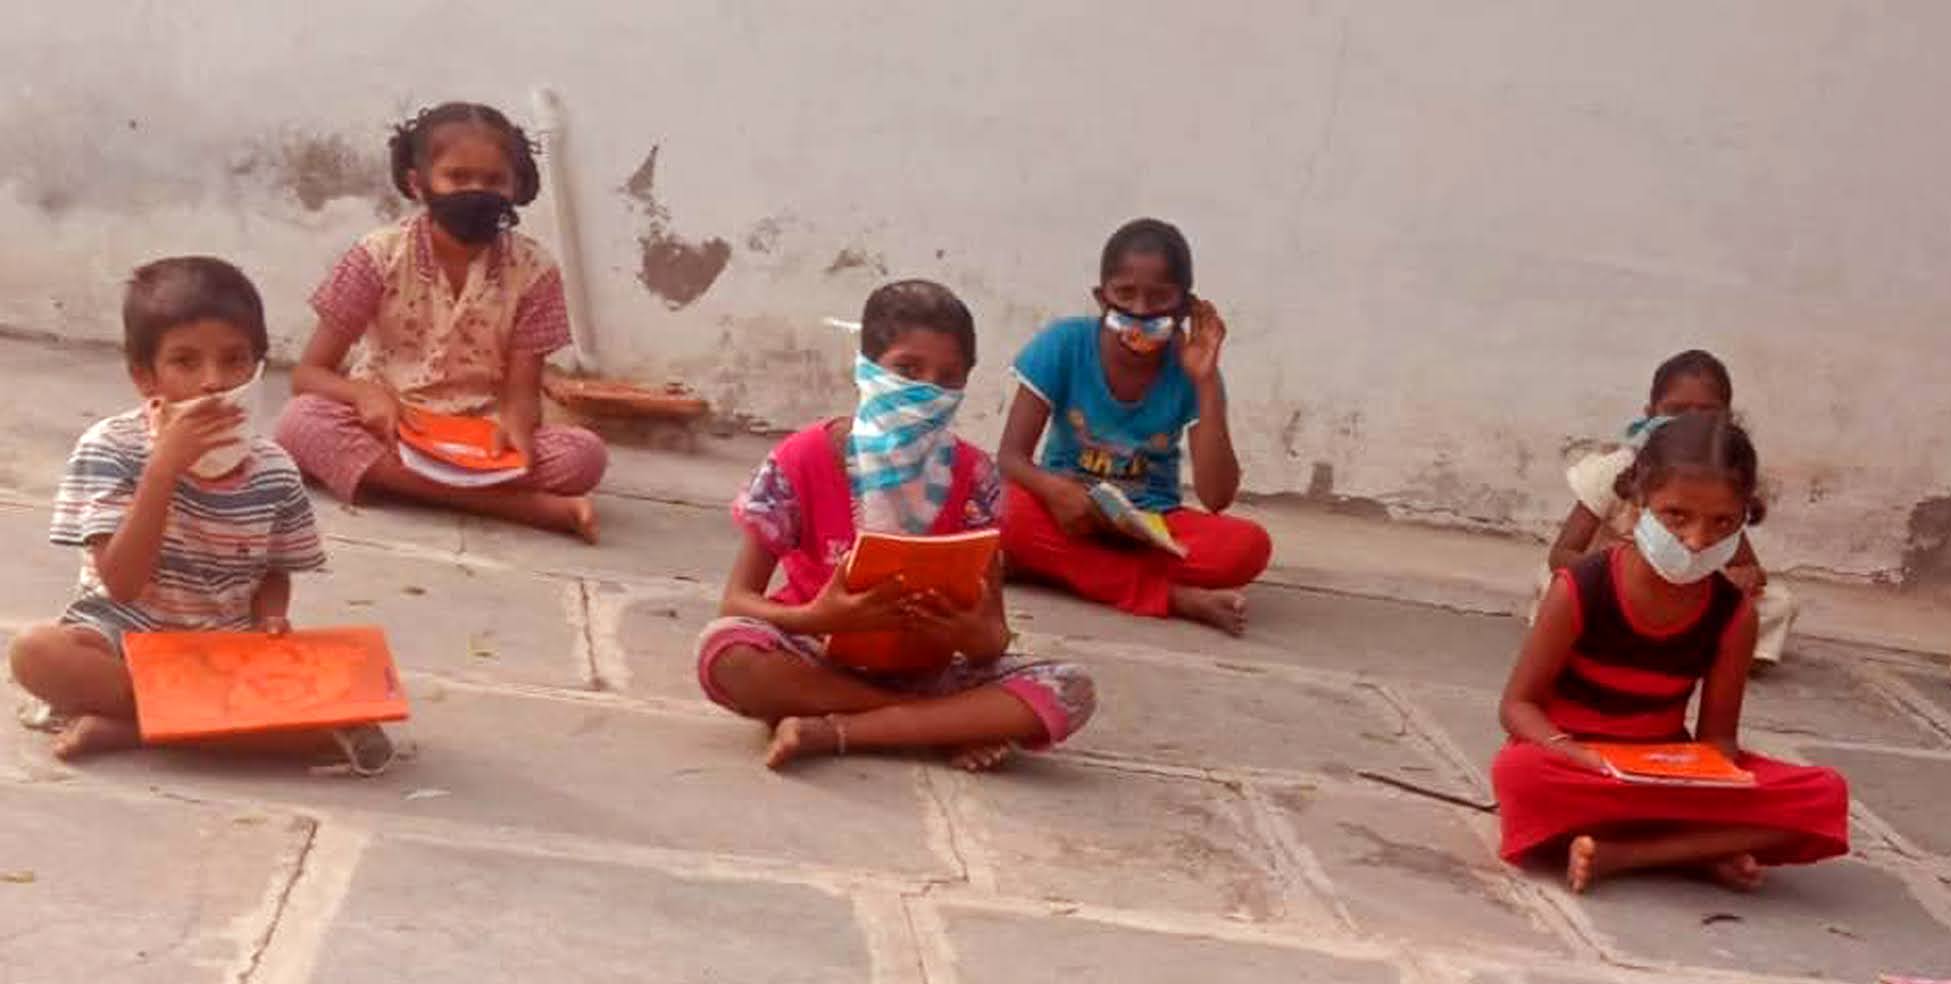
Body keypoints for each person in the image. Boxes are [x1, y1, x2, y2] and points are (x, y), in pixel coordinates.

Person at [696, 279, 1096, 772]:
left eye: (948, 378)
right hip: (815, 654)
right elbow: (737, 601)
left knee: (1071, 689)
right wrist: (820, 617)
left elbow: (992, 638)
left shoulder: (974, 477)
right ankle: (936, 725)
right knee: (725, 652)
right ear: (866, 366)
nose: (928, 390)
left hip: (928, 669)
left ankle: (835, 729)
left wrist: (968, 632)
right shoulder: (802, 458)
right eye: (907, 370)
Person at [10, 257, 385, 770]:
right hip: (121, 641)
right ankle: (206, 726)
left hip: (221, 648)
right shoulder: (110, 449)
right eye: (186, 363)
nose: (214, 382)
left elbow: (274, 570)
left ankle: (132, 729)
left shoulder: (274, 469)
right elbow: (121, 584)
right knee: (37, 653)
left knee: (356, 688)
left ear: (258, 367)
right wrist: (162, 470)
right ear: (145, 377)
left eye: (234, 360)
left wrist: (271, 618)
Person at [1493, 414, 1849, 893]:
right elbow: (1517, 706)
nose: (1697, 541)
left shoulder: (1733, 614)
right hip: (1578, 765)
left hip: (1664, 770)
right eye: (1677, 516)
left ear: (1745, 517)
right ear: (1640, 499)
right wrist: (1574, 753)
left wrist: (1699, 777)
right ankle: (1698, 850)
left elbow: (1718, 739)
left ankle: (1626, 854)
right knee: (1519, 774)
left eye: (1723, 522)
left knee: (1824, 795)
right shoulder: (1581, 588)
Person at [278, 101, 605, 542]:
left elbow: (522, 392)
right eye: (457, 177)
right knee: (301, 422)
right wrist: (363, 394)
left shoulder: (536, 271)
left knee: (584, 456)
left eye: (494, 180)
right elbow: (307, 375)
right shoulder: (377, 255)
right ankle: (522, 507)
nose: (477, 191)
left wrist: (518, 429)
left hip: (481, 434)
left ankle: (402, 484)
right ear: (418, 183)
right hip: (391, 427)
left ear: (515, 186)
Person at [997, 218, 1272, 635]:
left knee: (1247, 548)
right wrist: (1054, 491)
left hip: (1150, 524)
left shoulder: (1192, 368)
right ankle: (1172, 597)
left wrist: (1205, 381)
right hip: (1066, 512)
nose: (1140, 311)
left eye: (1159, 297)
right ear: (1101, 298)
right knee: (1003, 508)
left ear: (1184, 307)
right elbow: (1010, 459)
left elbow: (1217, 497)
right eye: (1125, 294)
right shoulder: (1064, 343)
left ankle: (1060, 568)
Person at [1541, 350, 1798, 667]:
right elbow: (1561, 554)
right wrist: (1610, 573)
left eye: (1706, 413)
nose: (1689, 422)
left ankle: (1709, 654)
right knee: (1557, 588)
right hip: (1614, 588)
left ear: (1727, 419)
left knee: (1777, 604)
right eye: (1676, 411)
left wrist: (1742, 578)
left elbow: (1748, 567)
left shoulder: (1724, 480)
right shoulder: (1613, 470)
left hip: (1686, 596)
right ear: (1650, 414)